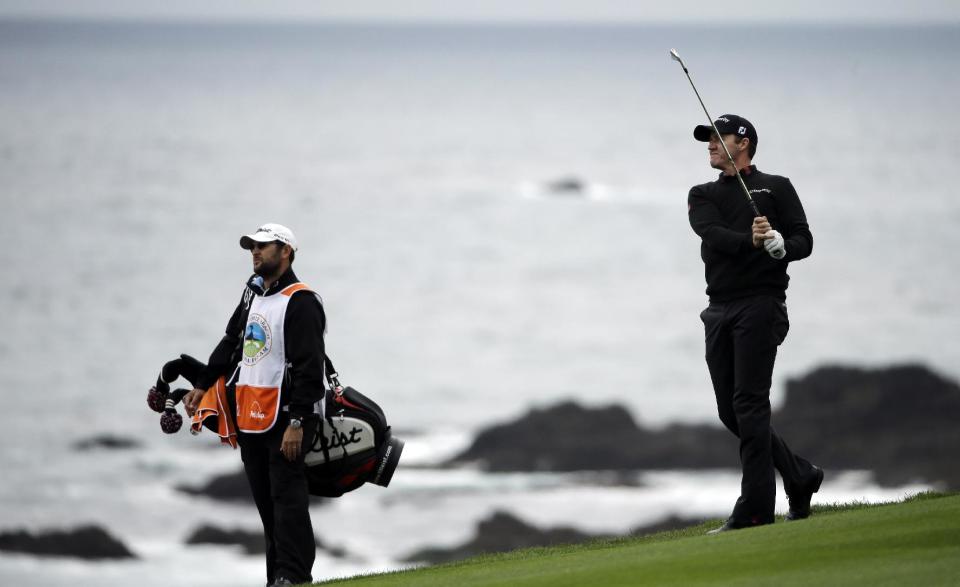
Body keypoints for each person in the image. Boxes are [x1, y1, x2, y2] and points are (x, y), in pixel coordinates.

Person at [686, 115, 823, 533]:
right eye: (707, 139)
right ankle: (799, 475)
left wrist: (782, 246)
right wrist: (752, 239)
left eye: (717, 138)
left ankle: (756, 509)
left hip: (761, 305)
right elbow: (711, 234)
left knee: (749, 404)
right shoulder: (702, 194)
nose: (710, 145)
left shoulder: (776, 187)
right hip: (719, 309)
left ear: (742, 143)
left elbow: (805, 239)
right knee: (732, 410)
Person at [183, 223, 326, 585]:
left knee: (287, 499)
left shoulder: (302, 301)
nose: (255, 253)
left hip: (287, 418)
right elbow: (232, 341)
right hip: (250, 417)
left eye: (264, 246)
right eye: (252, 247)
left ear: (286, 252)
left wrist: (297, 422)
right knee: (266, 504)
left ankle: (294, 576)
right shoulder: (252, 295)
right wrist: (202, 386)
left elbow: (311, 368)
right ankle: (276, 577)